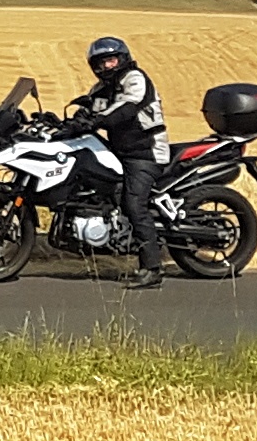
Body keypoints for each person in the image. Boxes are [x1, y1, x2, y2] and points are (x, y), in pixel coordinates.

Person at [60, 33, 174, 288]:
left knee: (134, 203)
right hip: (121, 151)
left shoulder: (135, 79)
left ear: (122, 59)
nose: (106, 66)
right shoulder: (101, 88)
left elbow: (125, 108)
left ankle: (152, 269)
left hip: (146, 152)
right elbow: (90, 108)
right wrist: (65, 123)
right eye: (101, 63)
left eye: (111, 60)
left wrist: (96, 121)